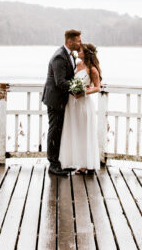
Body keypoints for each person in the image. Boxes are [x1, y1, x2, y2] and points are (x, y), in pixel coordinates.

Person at [42, 29, 82, 176]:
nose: (80, 43)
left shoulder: (68, 54)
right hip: (55, 100)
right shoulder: (59, 57)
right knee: (54, 131)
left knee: (59, 131)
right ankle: (53, 164)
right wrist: (78, 89)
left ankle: (60, 161)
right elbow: (60, 82)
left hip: (60, 99)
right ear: (69, 41)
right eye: (78, 41)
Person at [61, 43, 102, 174]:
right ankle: (75, 161)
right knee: (75, 131)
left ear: (86, 53)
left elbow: (97, 87)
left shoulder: (92, 69)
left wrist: (83, 92)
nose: (78, 52)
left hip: (84, 103)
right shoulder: (77, 65)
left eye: (80, 50)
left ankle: (86, 164)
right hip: (72, 103)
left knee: (84, 133)